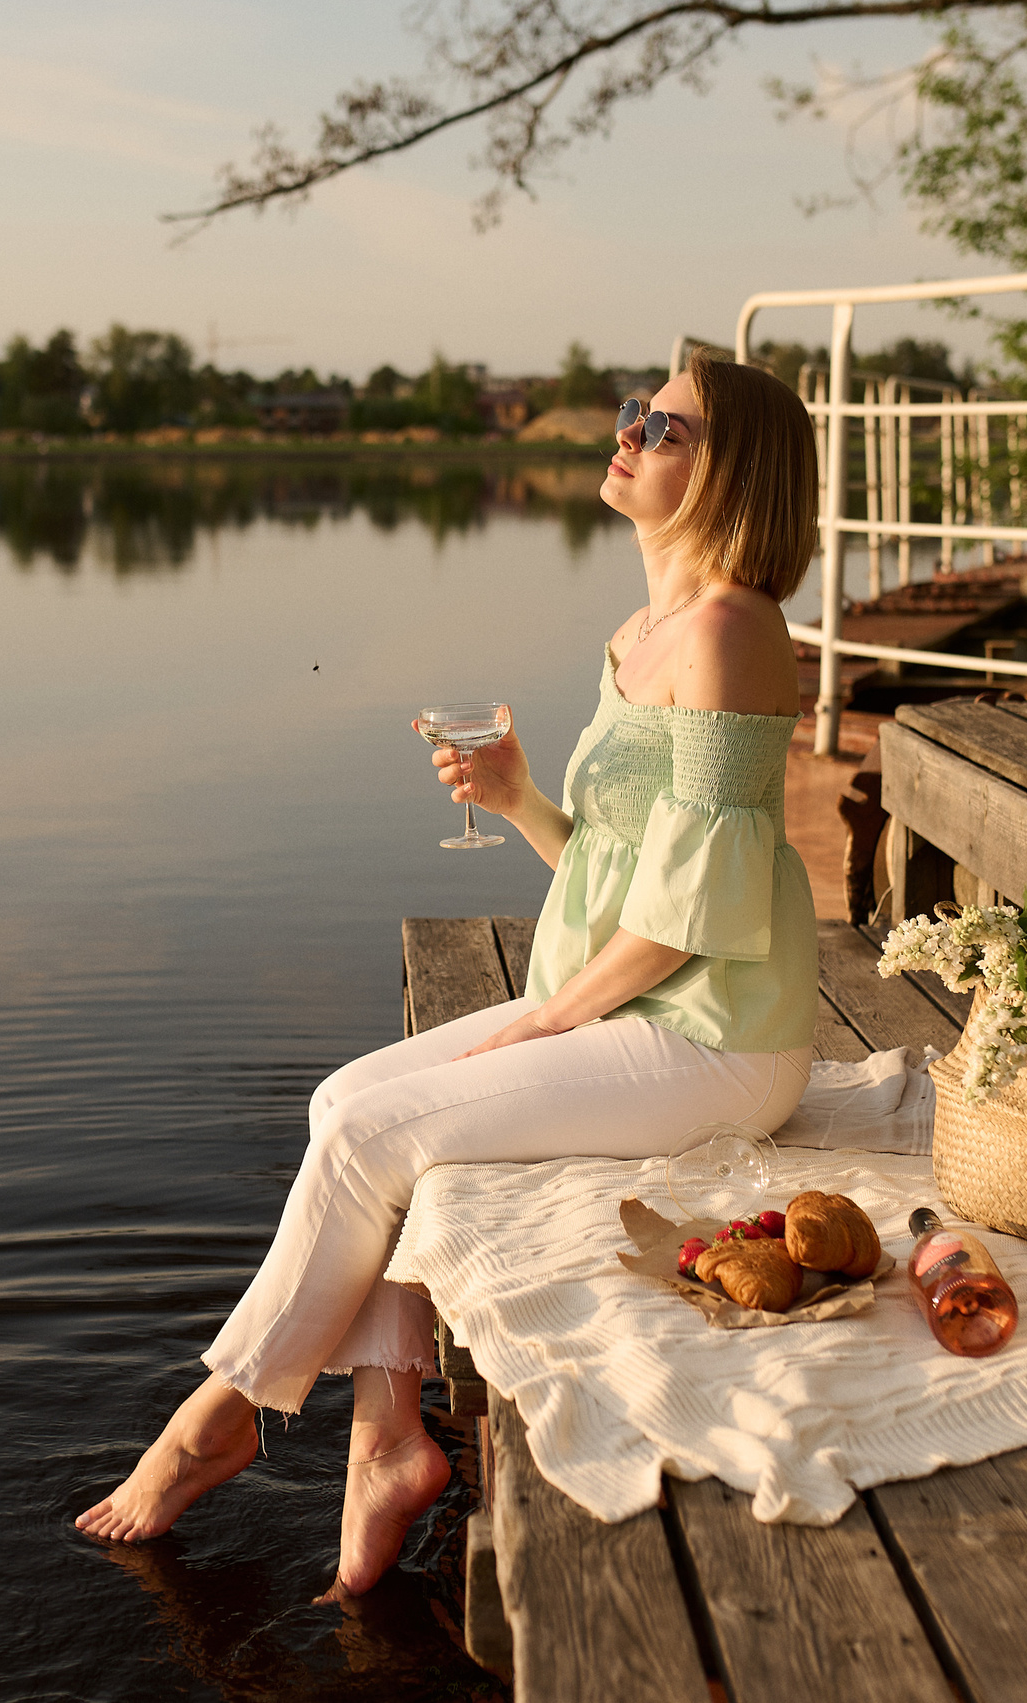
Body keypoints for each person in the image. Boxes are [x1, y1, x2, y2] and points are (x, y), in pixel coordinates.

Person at [77, 351, 824, 1602]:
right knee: (341, 1104)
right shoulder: (637, 636)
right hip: (631, 999)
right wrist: (519, 797)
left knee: (380, 1129)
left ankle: (216, 1414)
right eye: (636, 415)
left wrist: (544, 1017)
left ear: (728, 470)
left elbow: (700, 912)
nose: (627, 431)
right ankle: (384, 1439)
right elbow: (611, 875)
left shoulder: (732, 631)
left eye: (665, 426)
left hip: (715, 1033)